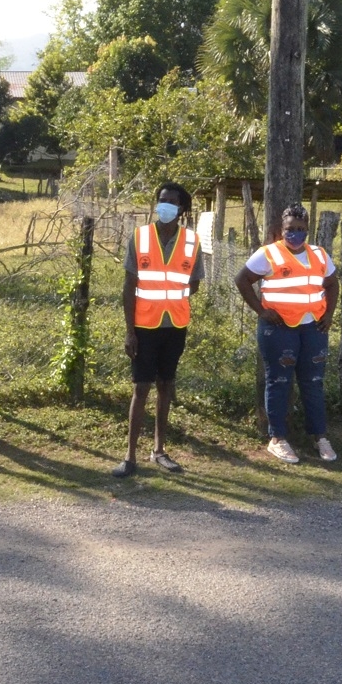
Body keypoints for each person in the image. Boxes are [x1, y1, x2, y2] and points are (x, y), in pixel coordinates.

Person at [113, 183, 204, 477]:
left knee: (166, 386)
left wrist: (172, 298)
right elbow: (128, 286)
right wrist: (129, 331)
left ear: (181, 210)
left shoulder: (192, 241)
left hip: (175, 325)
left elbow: (195, 283)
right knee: (141, 388)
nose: (164, 206)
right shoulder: (140, 237)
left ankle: (159, 451)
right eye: (161, 201)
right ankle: (129, 457)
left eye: (171, 202)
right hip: (144, 325)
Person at [236, 205, 339, 465]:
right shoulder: (268, 254)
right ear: (281, 230)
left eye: (300, 229)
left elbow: (332, 283)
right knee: (279, 381)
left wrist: (329, 314)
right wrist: (261, 311)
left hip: (313, 327)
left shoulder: (319, 254)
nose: (295, 233)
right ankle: (277, 439)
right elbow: (242, 280)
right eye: (290, 229)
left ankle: (319, 436)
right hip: (279, 329)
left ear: (307, 229)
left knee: (313, 381)